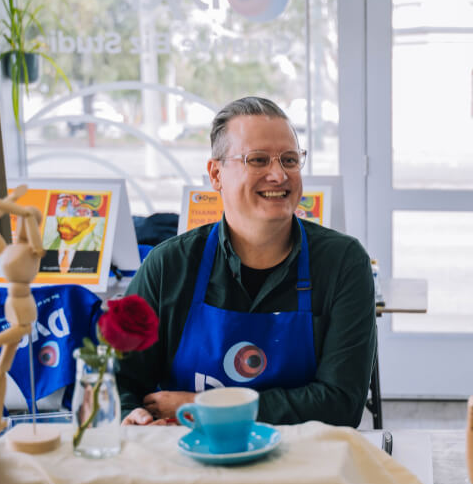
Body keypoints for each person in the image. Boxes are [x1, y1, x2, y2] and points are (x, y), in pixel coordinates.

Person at [118, 96, 377, 427]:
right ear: (216, 174)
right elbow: (118, 377)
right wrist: (132, 414)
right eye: (258, 160)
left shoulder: (342, 263)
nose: (278, 175)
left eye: (289, 160)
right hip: (190, 462)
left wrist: (204, 406)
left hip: (302, 466)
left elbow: (341, 404)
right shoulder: (168, 266)